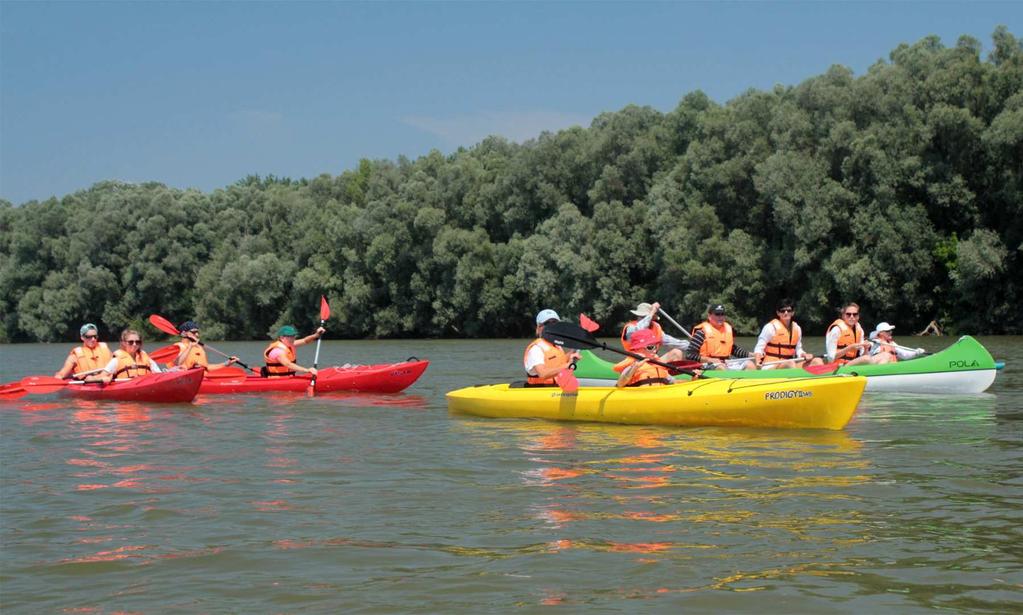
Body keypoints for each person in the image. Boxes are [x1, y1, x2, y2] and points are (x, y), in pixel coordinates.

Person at [752, 299, 823, 369]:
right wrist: (758, 358)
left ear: (792, 313)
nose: (786, 313)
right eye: (782, 311)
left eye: (789, 311)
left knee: (818, 361)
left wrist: (804, 354)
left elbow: (798, 349)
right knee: (789, 363)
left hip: (790, 364)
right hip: (770, 365)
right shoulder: (770, 327)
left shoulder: (797, 328)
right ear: (778, 313)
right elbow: (759, 348)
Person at [686, 304, 755, 370]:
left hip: (726, 363)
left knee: (750, 364)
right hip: (706, 365)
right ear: (709, 316)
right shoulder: (701, 332)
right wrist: (709, 360)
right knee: (721, 368)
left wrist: (752, 355)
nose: (720, 317)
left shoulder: (727, 329)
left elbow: (733, 349)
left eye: (722, 314)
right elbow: (689, 355)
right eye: (717, 314)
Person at [524, 309, 580, 386]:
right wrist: (568, 366)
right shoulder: (536, 349)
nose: (552, 327)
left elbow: (558, 362)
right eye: (547, 323)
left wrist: (573, 352)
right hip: (541, 390)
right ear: (539, 327)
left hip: (556, 386)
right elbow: (543, 374)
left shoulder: (556, 345)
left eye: (555, 323)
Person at [620, 302, 688, 362]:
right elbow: (640, 330)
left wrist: (693, 346)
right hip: (635, 362)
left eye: (644, 316)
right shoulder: (631, 328)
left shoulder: (656, 327)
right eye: (641, 316)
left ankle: (669, 374)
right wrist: (652, 312)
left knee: (677, 352)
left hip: (652, 361)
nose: (642, 318)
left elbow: (673, 342)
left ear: (653, 318)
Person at [89, 329, 163, 383]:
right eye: (131, 342)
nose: (134, 344)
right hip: (126, 386)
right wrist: (94, 379)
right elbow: (102, 375)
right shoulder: (116, 360)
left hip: (145, 385)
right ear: (124, 343)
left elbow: (160, 375)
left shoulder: (147, 359)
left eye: (137, 342)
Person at [168, 320, 238, 371]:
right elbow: (177, 364)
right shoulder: (178, 346)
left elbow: (207, 368)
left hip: (204, 379)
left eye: (197, 332)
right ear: (184, 333)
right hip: (187, 380)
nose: (197, 335)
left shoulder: (199, 348)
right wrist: (190, 346)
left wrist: (226, 363)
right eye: (194, 332)